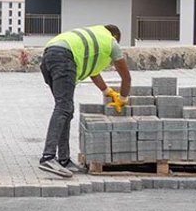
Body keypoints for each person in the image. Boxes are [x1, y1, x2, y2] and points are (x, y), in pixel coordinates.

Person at [38, 24, 132, 178]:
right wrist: (122, 98)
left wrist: (108, 92)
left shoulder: (94, 37)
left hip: (49, 55)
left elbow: (94, 73)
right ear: (115, 37)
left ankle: (63, 160)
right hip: (64, 59)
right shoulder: (111, 42)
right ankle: (48, 157)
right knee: (63, 108)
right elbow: (126, 77)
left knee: (66, 110)